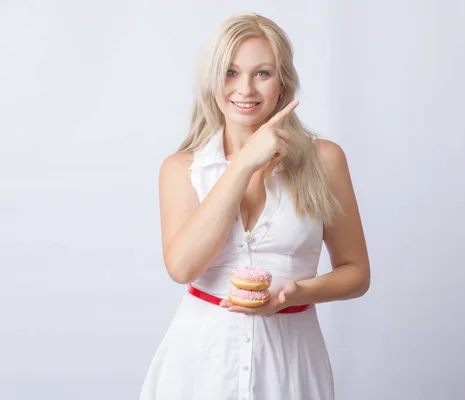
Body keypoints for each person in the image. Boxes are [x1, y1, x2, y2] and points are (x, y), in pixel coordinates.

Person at [139, 12, 370, 400]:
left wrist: (296, 293)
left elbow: (357, 274)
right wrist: (244, 163)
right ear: (212, 80)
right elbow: (183, 267)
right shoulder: (182, 168)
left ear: (283, 83)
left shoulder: (325, 160)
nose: (244, 88)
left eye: (262, 73)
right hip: (197, 365)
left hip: (291, 361)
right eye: (230, 72)